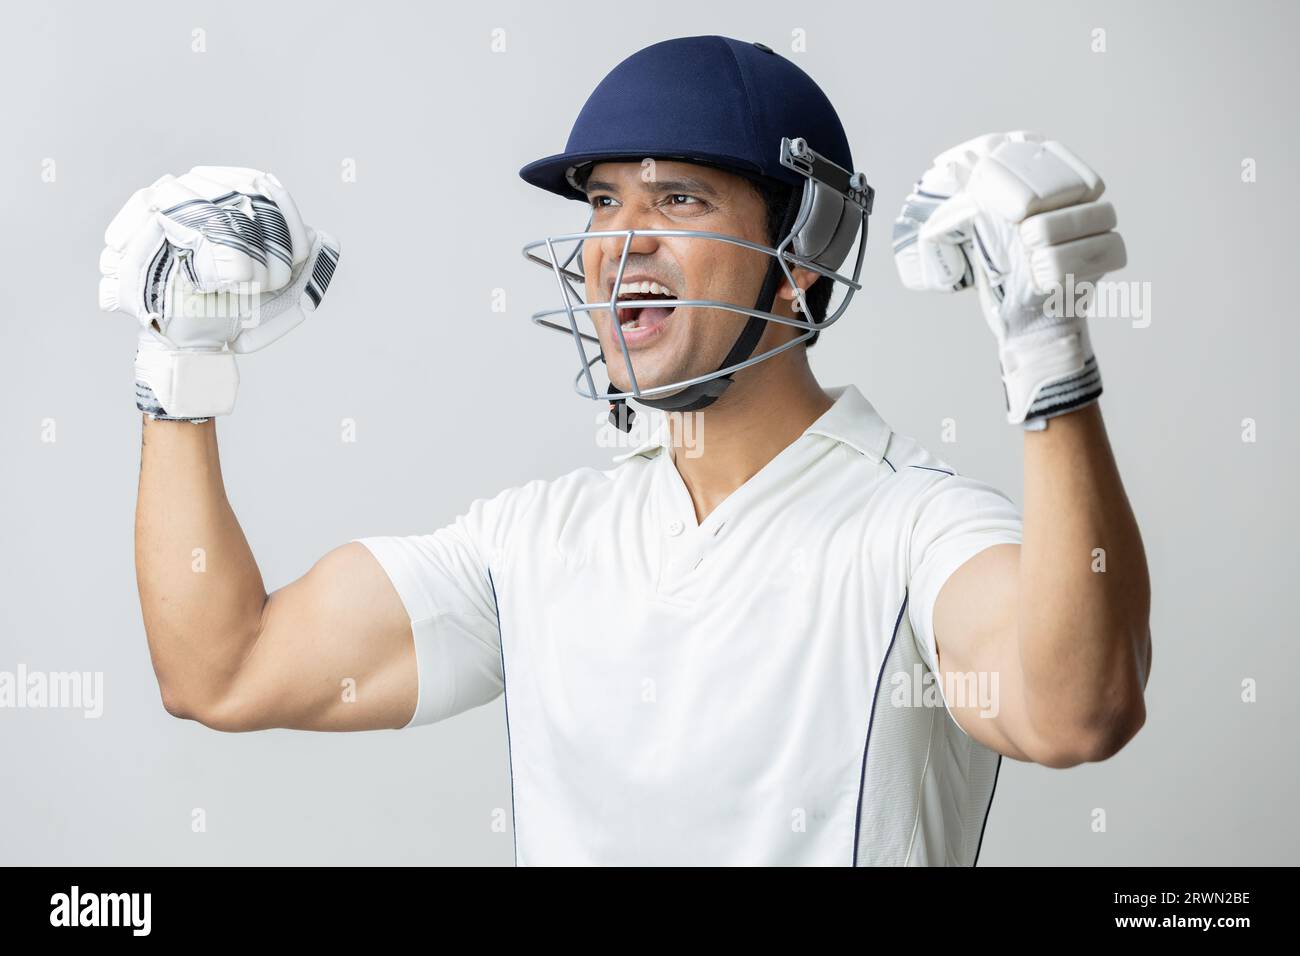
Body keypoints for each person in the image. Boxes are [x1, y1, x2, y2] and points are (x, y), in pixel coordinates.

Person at [103, 36, 1150, 866]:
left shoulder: (916, 526)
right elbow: (222, 670)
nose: (619, 239)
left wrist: (1047, 355)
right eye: (604, 199)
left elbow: (1073, 711)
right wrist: (178, 371)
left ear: (803, 254)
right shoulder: (533, 539)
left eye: (678, 198)